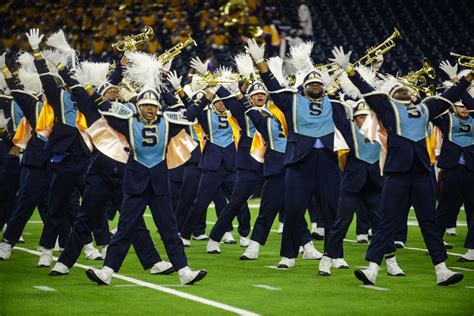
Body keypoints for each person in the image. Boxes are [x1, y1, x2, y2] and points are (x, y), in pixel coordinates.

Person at [330, 46, 472, 285]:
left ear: (413, 94)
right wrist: (349, 70)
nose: (403, 89)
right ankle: (372, 268)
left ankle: (442, 270)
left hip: (422, 174)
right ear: (391, 96)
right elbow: (367, 90)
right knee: (388, 220)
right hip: (397, 174)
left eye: (405, 88)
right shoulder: (388, 108)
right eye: (397, 88)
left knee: (429, 222)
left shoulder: (426, 108)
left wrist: (467, 78)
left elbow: (449, 96)